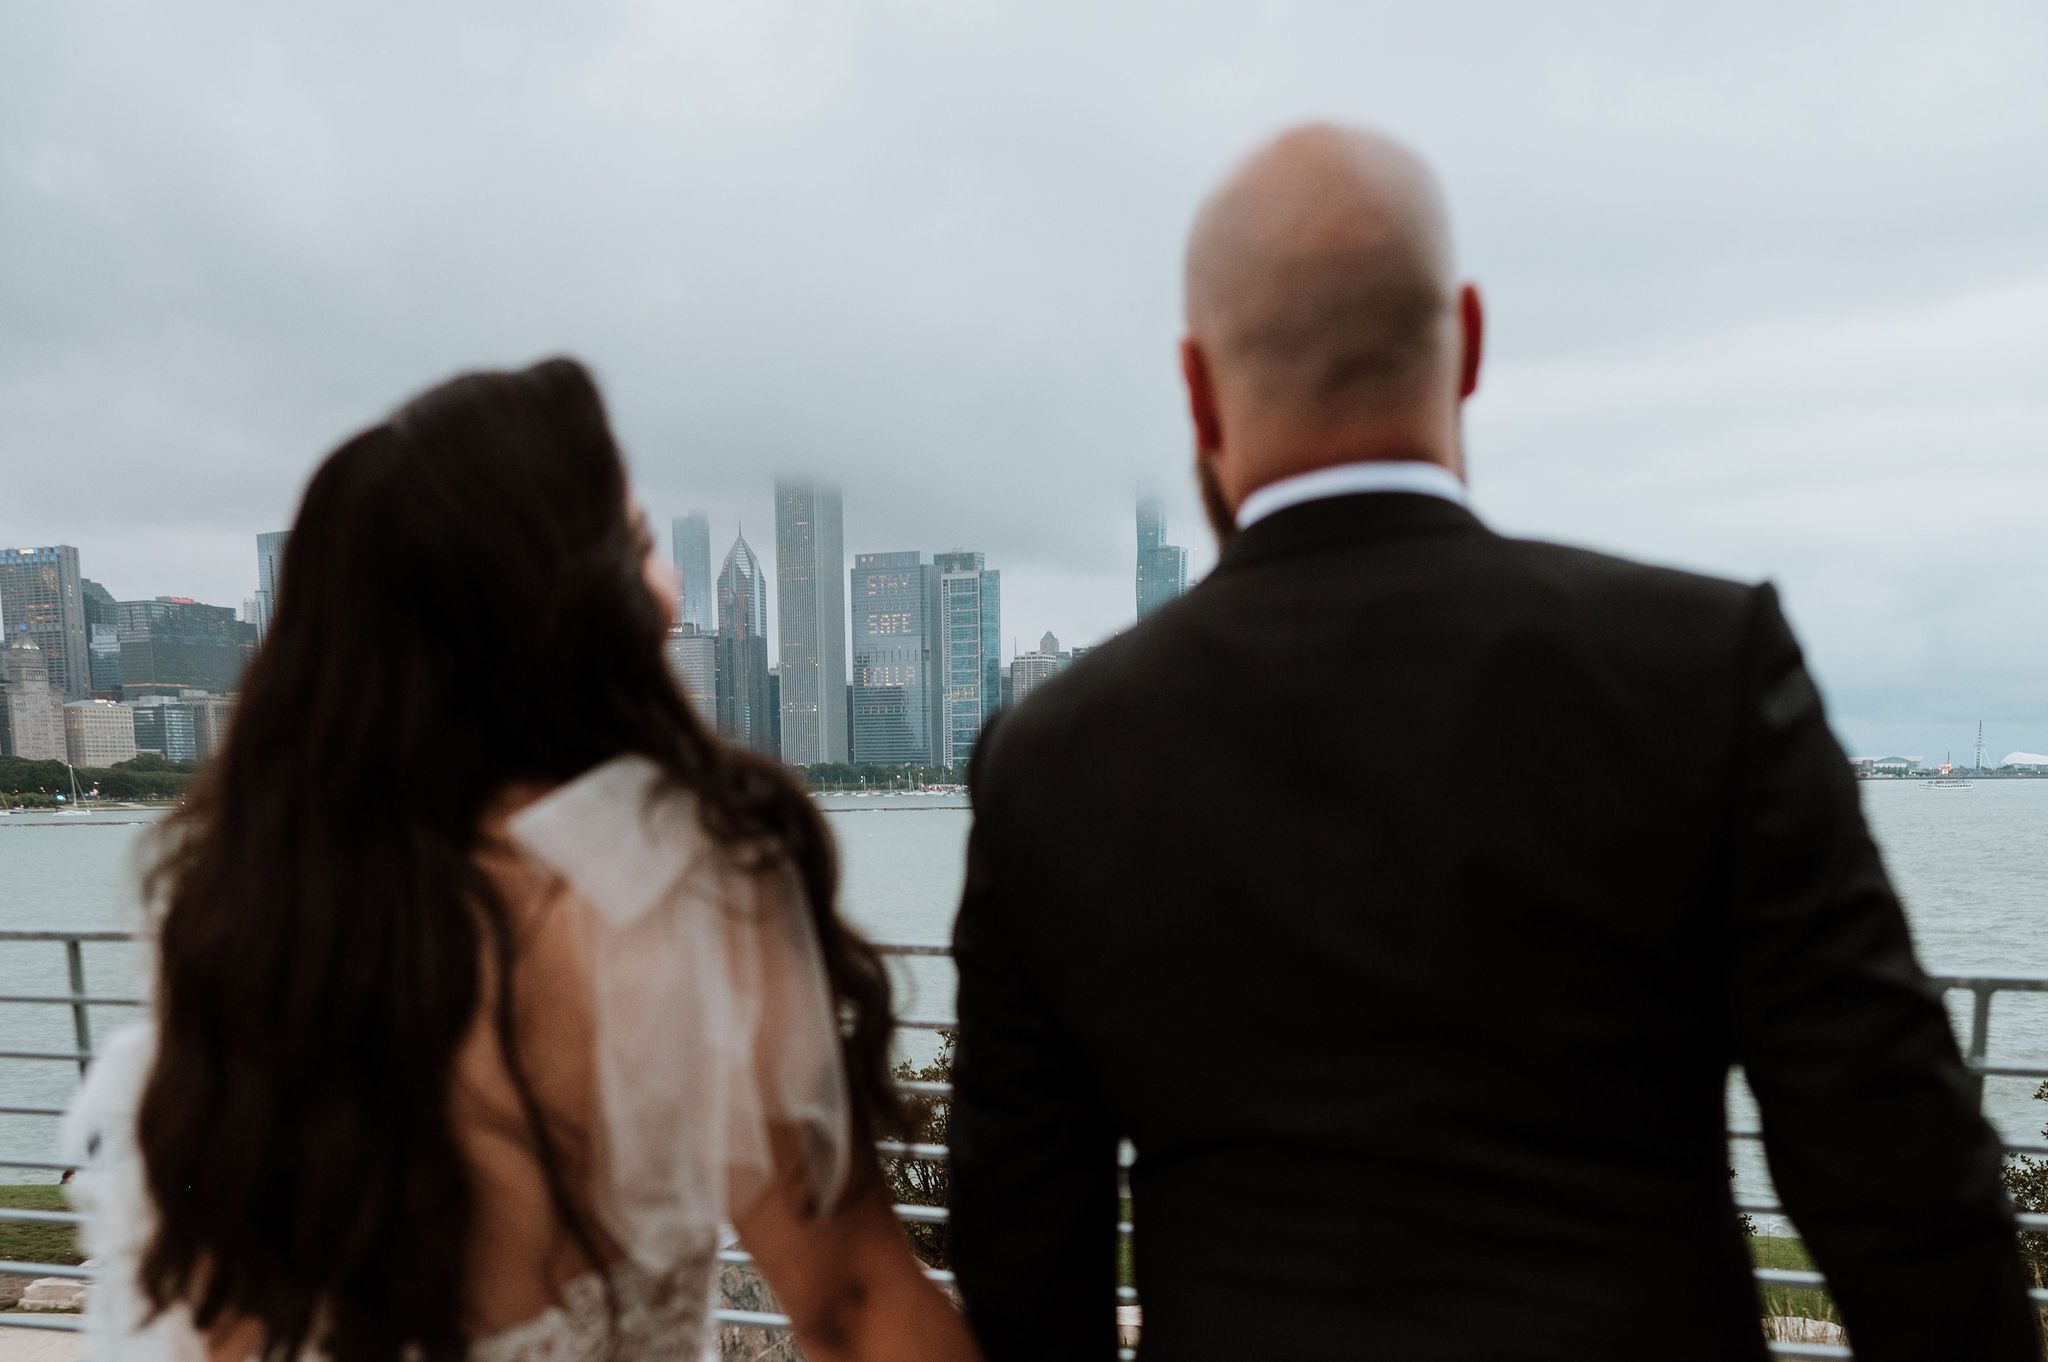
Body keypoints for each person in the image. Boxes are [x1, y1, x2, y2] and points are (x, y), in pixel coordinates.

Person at [947, 125, 2037, 1362]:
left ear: (1196, 388)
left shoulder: (1050, 756)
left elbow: (1022, 1249)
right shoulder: (1700, 666)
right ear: (1465, 341)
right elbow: (1895, 1171)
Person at [63, 358, 981, 1362]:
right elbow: (848, 1299)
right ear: (568, 614)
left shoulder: (250, 912)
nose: (668, 590)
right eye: (636, 547)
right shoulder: (677, 890)